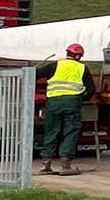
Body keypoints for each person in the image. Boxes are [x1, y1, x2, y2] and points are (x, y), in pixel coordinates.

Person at [37, 43, 94, 175]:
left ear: (67, 53)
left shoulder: (54, 65)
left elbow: (35, 74)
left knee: (51, 131)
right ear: (79, 56)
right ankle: (66, 165)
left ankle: (46, 164)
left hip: (53, 103)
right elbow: (91, 89)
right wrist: (83, 99)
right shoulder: (82, 68)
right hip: (72, 103)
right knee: (70, 132)